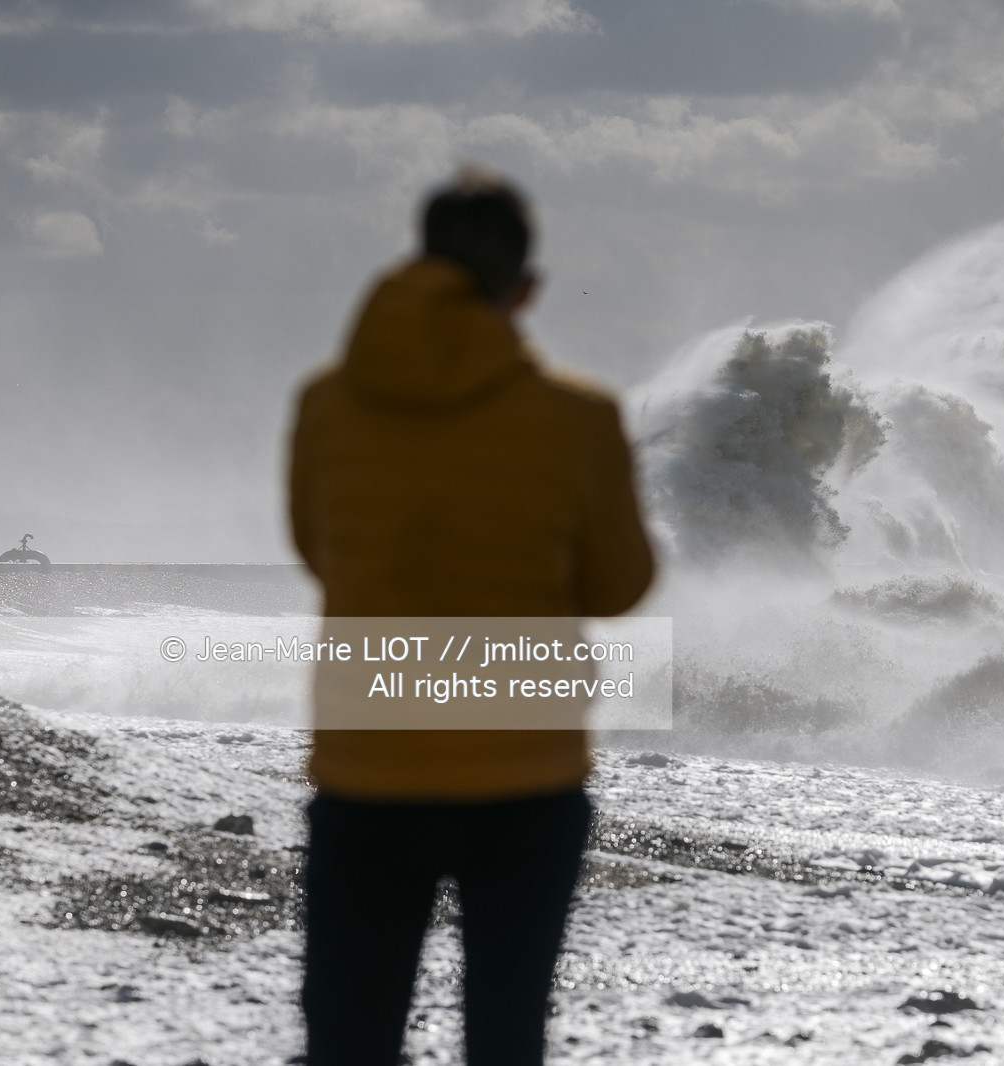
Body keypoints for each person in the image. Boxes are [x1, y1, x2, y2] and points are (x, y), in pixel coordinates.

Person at [288, 167, 654, 1066]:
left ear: (420, 259)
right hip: (523, 772)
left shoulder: (327, 405)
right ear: (523, 288)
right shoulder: (579, 415)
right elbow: (619, 588)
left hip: (369, 762)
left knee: (350, 1033)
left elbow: (317, 550)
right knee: (504, 1028)